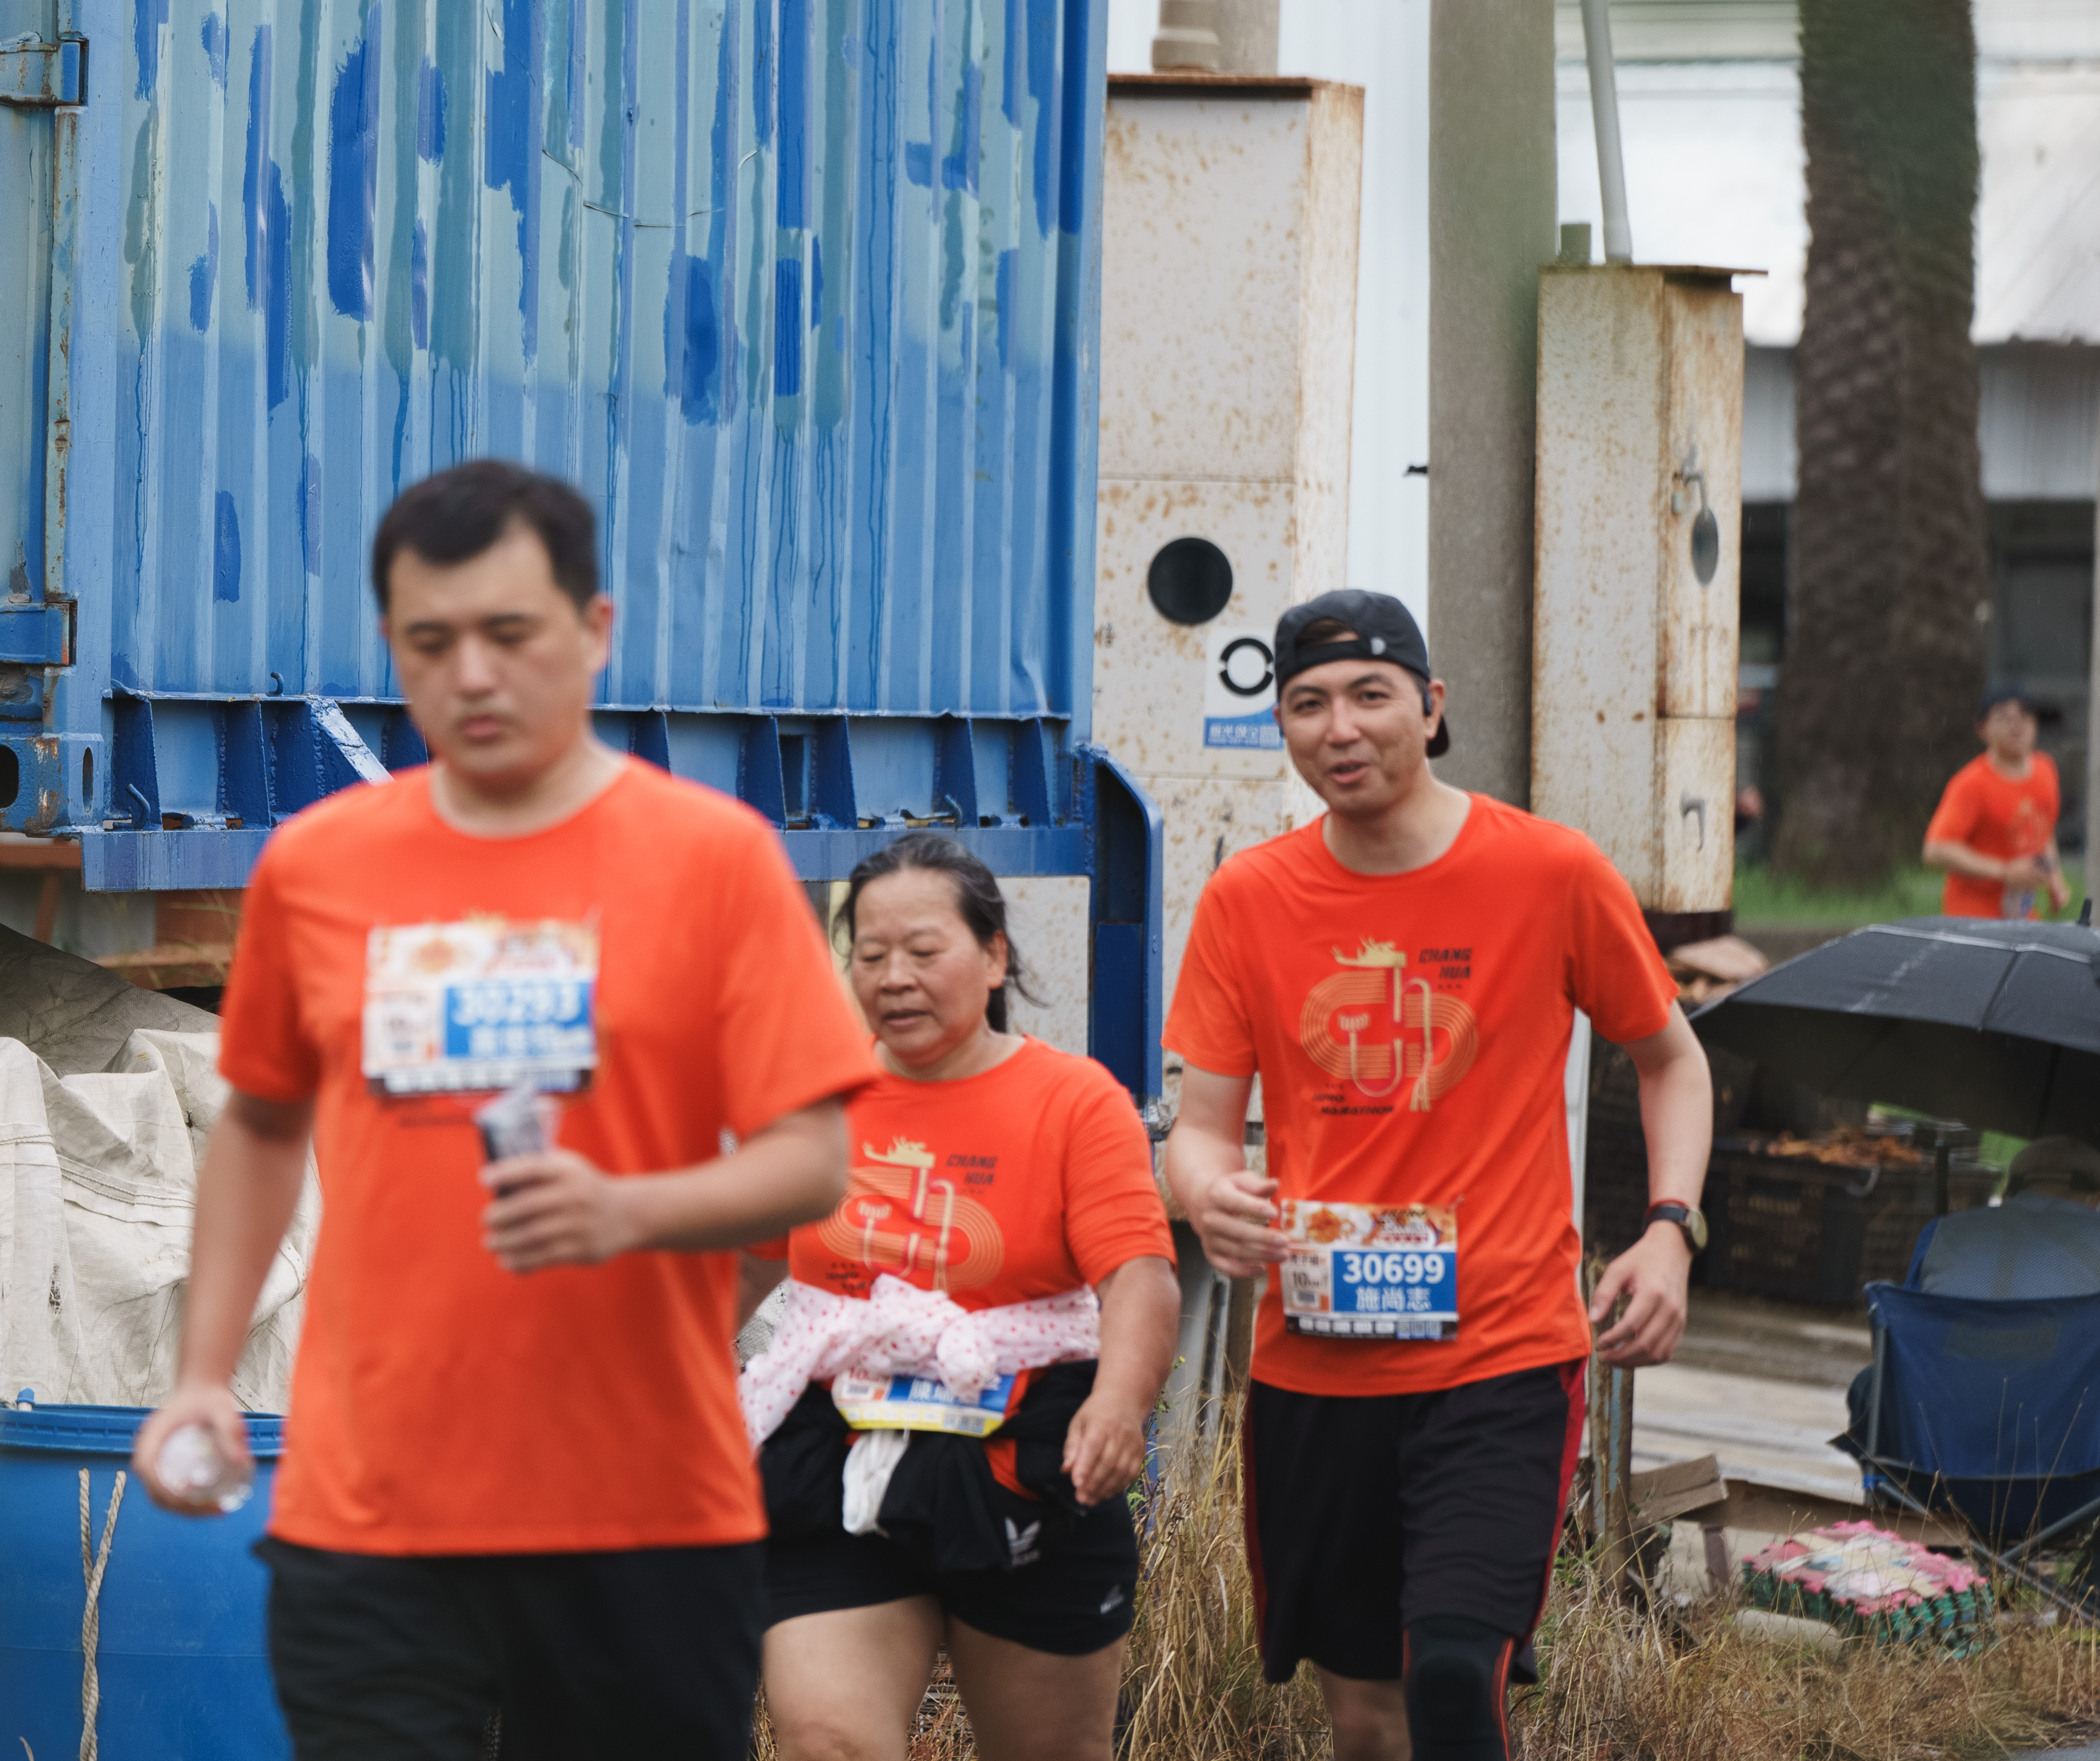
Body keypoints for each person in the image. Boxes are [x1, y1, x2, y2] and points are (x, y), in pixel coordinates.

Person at [134, 460, 877, 1761]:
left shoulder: (714, 860)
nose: (471, 674)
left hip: (643, 1512)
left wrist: (627, 1209)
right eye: (431, 642)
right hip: (371, 1511)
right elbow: (259, 1123)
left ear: (595, 630)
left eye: (510, 633)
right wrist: (199, 1376)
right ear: (392, 647)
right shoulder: (319, 866)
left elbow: (812, 1161)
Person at [1160, 590, 1714, 1761]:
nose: (1340, 727)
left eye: (1371, 694)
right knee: (1365, 1715)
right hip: (1317, 1360)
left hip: (1502, 1352)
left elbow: (1671, 1058)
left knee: (1456, 1673)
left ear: (1431, 705)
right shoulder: (1248, 898)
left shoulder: (1550, 870)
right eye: (1307, 703)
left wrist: (1671, 1228)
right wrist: (1207, 1191)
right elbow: (1197, 1130)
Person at [735, 834, 1180, 1761]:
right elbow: (744, 1265)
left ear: (995, 956)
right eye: (870, 954)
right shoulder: (815, 1099)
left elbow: (1139, 1273)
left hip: (1027, 1449)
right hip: (839, 1453)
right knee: (827, 1742)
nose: (894, 977)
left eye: (923, 951)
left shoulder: (1074, 1100)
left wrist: (1120, 1404)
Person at [1923, 687, 2072, 920]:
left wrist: (2055, 880)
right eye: (2004, 718)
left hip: (2022, 915)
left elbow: (2042, 829)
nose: (2017, 726)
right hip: (1973, 919)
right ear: (1982, 729)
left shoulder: (2046, 769)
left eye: (2025, 716)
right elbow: (1936, 850)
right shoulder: (1971, 784)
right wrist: (2005, 871)